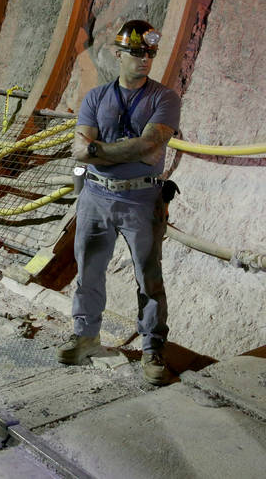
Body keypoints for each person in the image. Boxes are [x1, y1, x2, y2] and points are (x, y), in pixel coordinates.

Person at [57, 19, 180, 385]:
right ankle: (86, 336)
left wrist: (98, 150)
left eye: (150, 54)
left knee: (148, 277)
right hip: (95, 197)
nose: (144, 60)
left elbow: (148, 147)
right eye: (137, 53)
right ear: (118, 54)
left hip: (141, 199)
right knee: (89, 271)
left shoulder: (165, 98)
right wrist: (107, 153)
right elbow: (80, 151)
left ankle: (152, 349)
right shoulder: (96, 97)